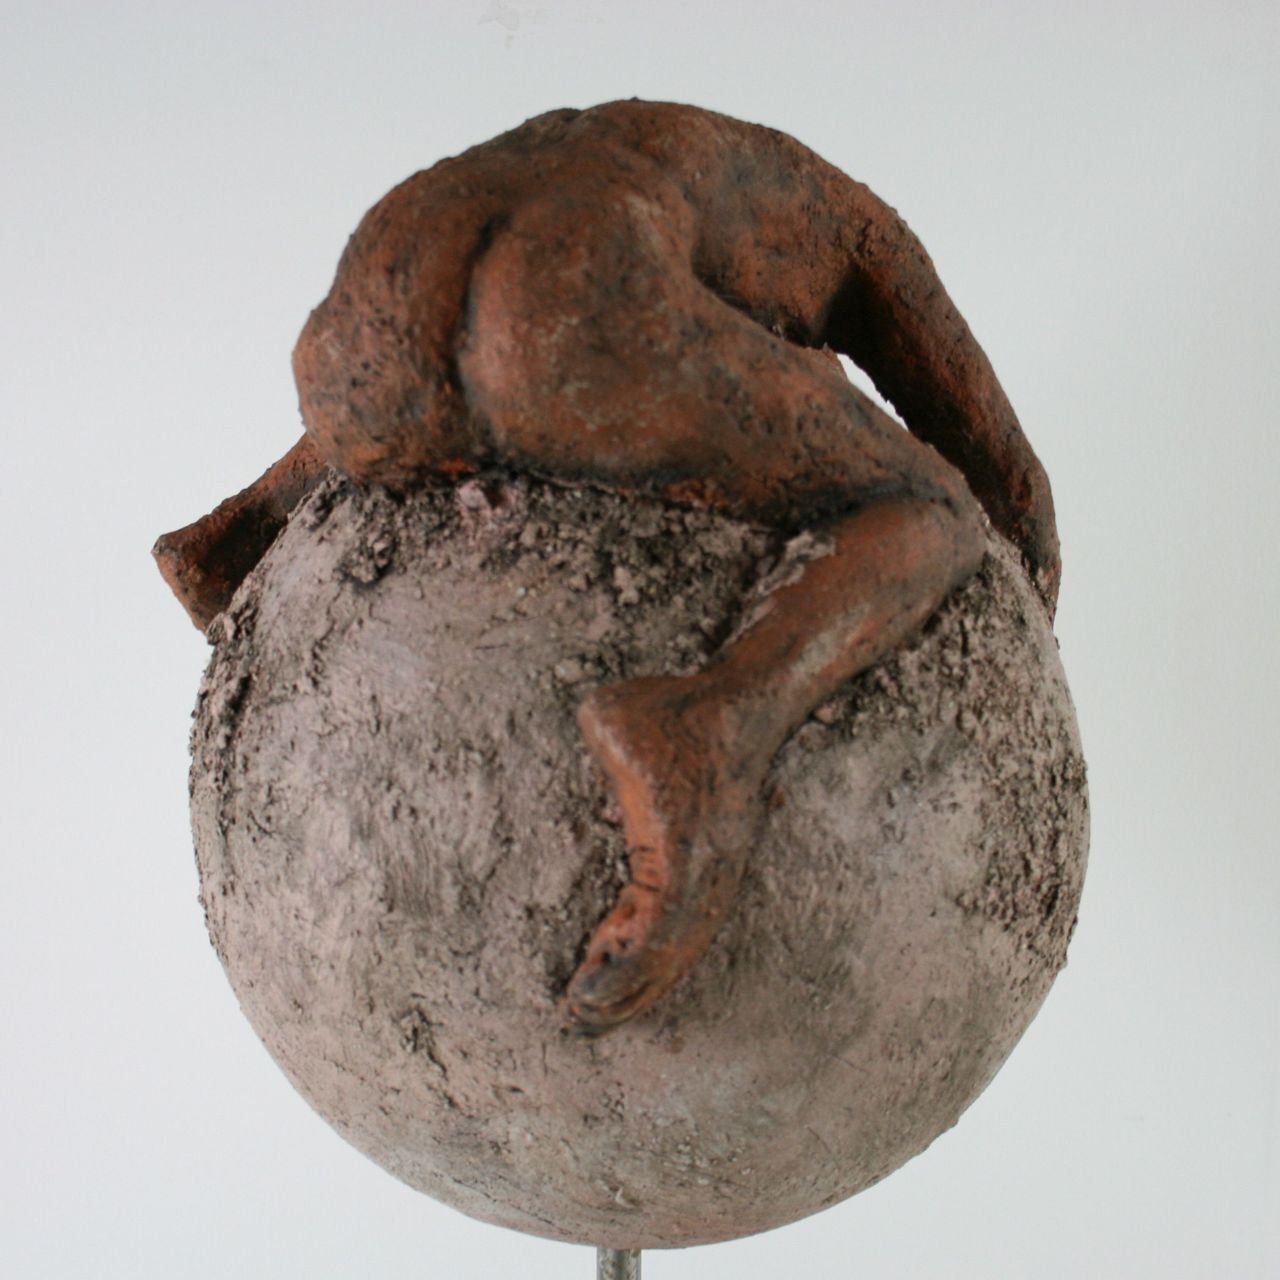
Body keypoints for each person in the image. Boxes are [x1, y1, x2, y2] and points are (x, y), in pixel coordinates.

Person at [156, 100, 1059, 1035]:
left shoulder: (680, 156)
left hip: (364, 333)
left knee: (478, 352)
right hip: (568, 324)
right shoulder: (864, 241)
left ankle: (238, 537)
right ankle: (706, 729)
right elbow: (1002, 476)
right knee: (932, 513)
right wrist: (1022, 613)